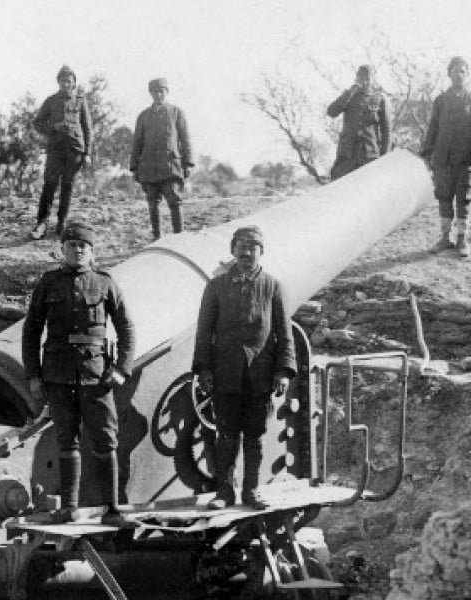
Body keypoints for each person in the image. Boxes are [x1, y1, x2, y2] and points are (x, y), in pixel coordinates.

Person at [22, 221, 136, 526]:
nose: (78, 251)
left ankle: (112, 509)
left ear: (92, 250)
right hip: (58, 375)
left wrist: (122, 368)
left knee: (105, 439)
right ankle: (69, 507)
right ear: (63, 249)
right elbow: (31, 330)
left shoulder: (105, 283)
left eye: (83, 246)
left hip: (96, 375)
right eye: (72, 245)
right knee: (66, 439)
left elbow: (126, 327)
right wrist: (34, 375)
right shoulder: (48, 283)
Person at [193, 226, 295, 511]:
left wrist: (283, 372)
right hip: (225, 373)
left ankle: (252, 491)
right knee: (226, 435)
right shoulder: (216, 286)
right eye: (241, 247)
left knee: (255, 435)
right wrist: (203, 369)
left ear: (261, 252)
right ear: (232, 250)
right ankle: (224, 492)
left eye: (252, 247)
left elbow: (284, 333)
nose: (246, 253)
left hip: (259, 375)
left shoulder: (273, 286)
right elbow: (203, 332)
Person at [420, 56, 471, 258]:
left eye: (463, 71)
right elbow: (432, 129)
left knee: (463, 199)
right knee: (444, 197)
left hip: (465, 160)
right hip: (443, 160)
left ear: (467, 75)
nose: (459, 74)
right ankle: (444, 238)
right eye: (455, 70)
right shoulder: (440, 101)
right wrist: (426, 154)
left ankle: (461, 239)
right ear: (449, 73)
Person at [29, 65, 93, 241]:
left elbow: (87, 128)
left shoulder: (80, 101)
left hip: (74, 150)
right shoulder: (51, 101)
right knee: (49, 185)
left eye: (70, 81)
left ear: (74, 83)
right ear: (58, 82)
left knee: (67, 186)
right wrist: (53, 127)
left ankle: (61, 225)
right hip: (55, 150)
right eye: (63, 81)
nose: (66, 84)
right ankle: (41, 224)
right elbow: (38, 123)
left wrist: (87, 153)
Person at [130, 76, 193, 239]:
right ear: (150, 94)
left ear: (167, 92)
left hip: (170, 165)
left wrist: (187, 163)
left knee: (174, 200)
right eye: (154, 92)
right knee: (152, 202)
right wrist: (134, 167)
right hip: (149, 166)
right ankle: (157, 237)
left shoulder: (176, 113)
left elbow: (185, 139)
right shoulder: (143, 116)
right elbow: (137, 143)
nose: (158, 95)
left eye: (161, 91)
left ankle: (179, 237)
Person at [327, 64, 391, 180]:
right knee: (339, 185)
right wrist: (350, 91)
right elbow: (331, 112)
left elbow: (386, 132)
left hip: (369, 156)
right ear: (357, 78)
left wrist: (383, 159)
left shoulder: (380, 100)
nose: (364, 81)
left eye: (367, 77)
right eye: (361, 77)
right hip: (347, 156)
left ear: (373, 79)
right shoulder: (349, 96)